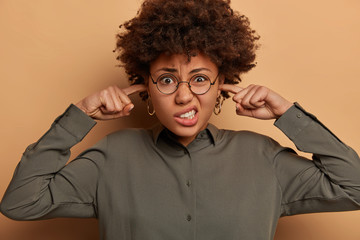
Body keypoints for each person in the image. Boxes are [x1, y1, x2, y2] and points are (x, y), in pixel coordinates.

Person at [1, 0, 360, 239]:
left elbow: (354, 188)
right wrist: (77, 117)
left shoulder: (264, 157)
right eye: (168, 79)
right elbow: (19, 203)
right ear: (146, 86)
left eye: (201, 79)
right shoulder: (112, 156)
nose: (185, 95)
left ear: (222, 84)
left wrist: (288, 116)